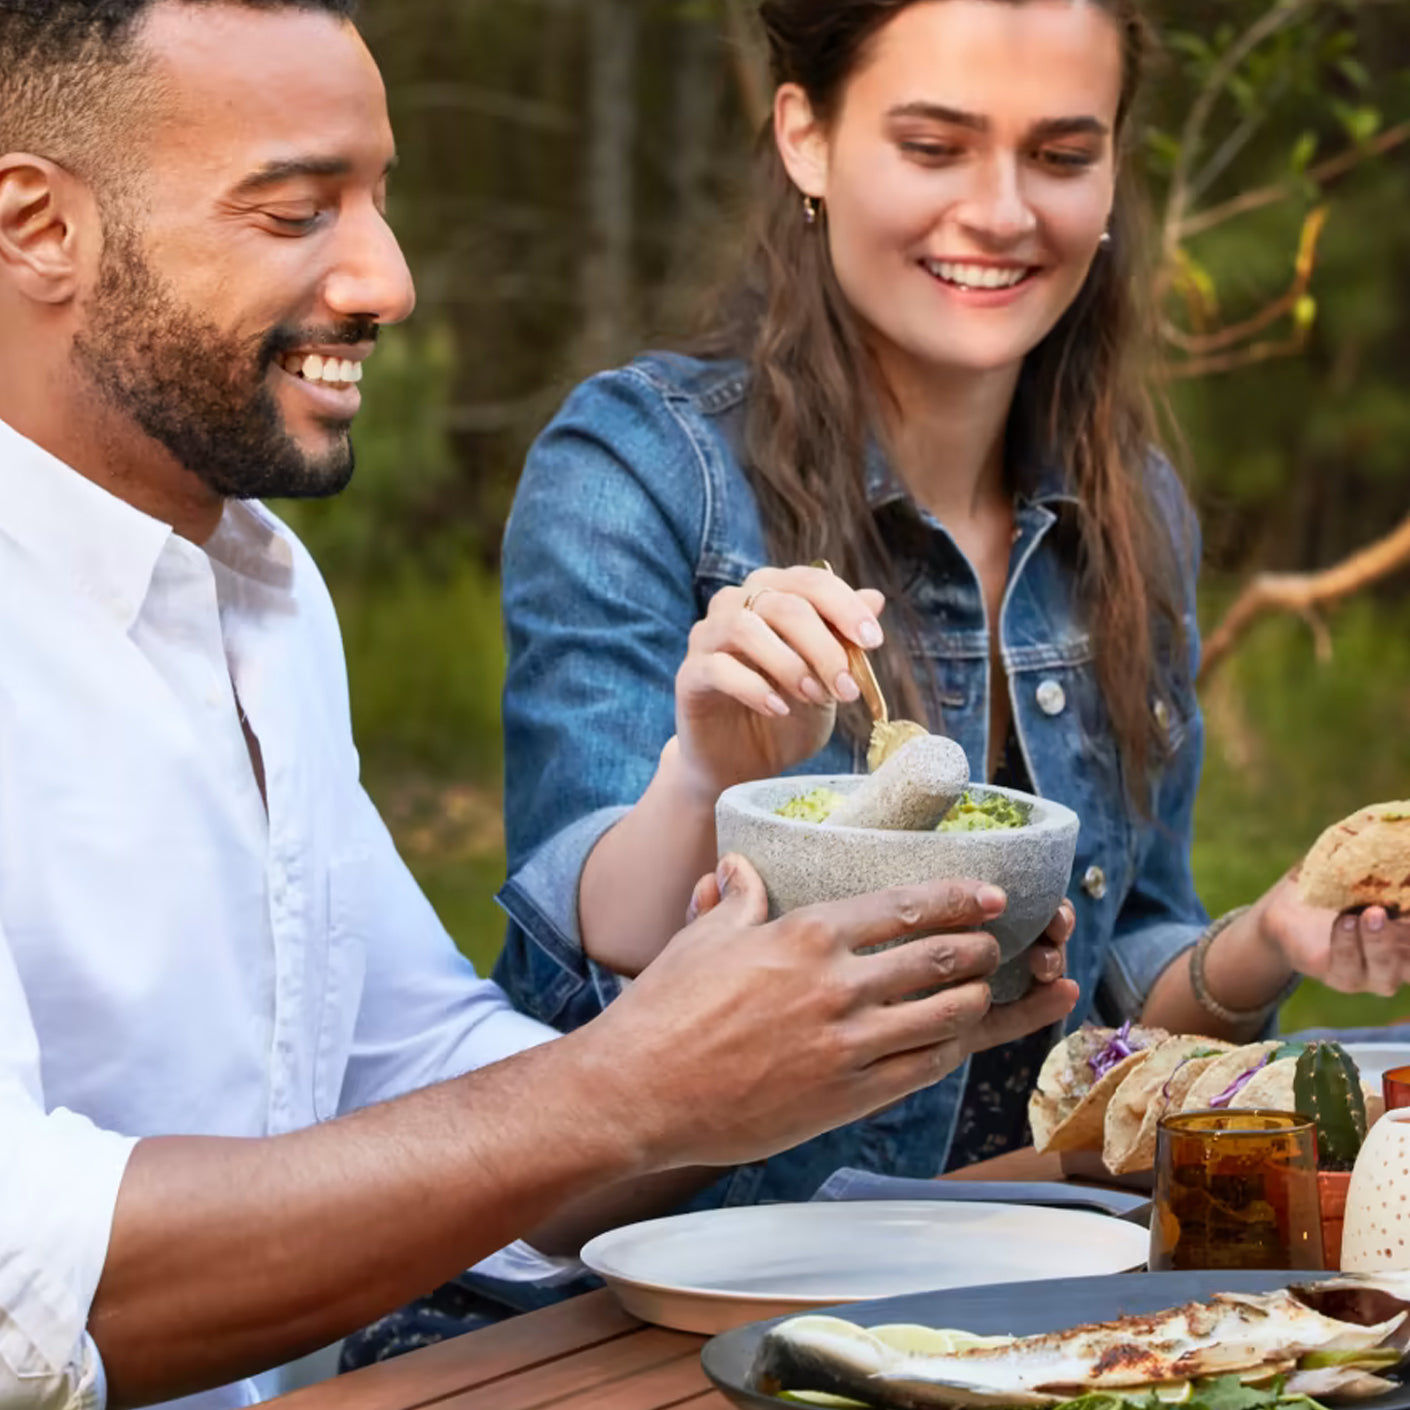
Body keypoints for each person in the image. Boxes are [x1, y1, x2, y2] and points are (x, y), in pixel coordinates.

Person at [0, 2, 1083, 1407]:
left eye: (378, 200)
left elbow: (431, 1085)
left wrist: (840, 1025)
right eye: (293, 212)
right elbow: (25, 1280)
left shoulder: (262, 593)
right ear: (38, 226)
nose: (386, 278)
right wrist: (629, 1084)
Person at [496, 0, 1410, 1197]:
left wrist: (1264, 943)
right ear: (805, 137)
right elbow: (589, 949)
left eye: (1063, 155)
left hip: (985, 1269)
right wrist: (710, 774)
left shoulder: (1131, 509)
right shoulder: (639, 473)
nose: (1003, 211)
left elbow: (1113, 1006)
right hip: (638, 1304)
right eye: (934, 148)